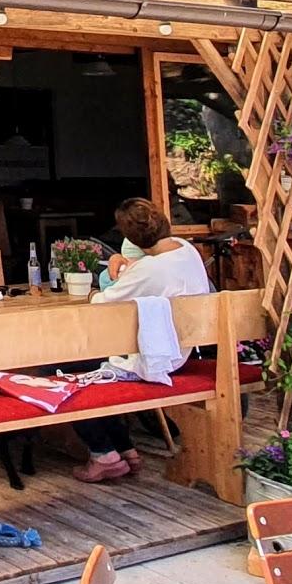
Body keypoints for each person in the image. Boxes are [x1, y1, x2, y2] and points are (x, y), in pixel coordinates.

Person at [72, 197, 210, 482]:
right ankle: (125, 448)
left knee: (67, 369)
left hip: (159, 359)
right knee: (90, 364)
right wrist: (125, 263)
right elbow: (150, 270)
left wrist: (92, 292)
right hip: (182, 349)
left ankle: (104, 454)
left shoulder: (150, 270)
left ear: (130, 238)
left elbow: (103, 304)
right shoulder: (186, 250)